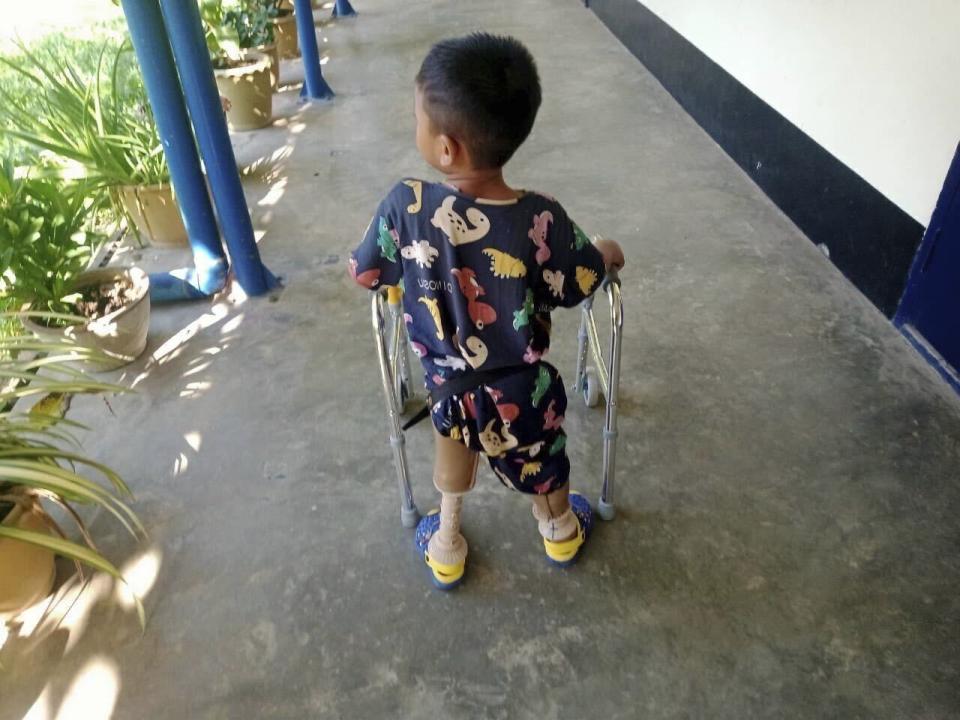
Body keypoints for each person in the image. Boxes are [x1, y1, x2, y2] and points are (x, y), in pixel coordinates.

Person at [349, 33, 625, 589]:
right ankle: (561, 533)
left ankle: (447, 546)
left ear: (446, 149)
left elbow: (366, 273)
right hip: (525, 389)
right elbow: (580, 281)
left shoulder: (406, 205)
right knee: (544, 459)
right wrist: (607, 253)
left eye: (417, 117)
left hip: (448, 387)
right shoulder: (541, 218)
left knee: (452, 440)